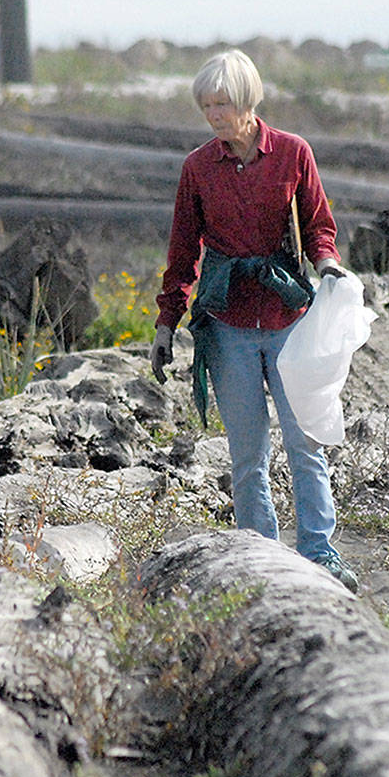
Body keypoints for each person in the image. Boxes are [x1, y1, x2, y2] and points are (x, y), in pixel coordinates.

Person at [150, 49, 358, 593]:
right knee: (247, 453)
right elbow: (182, 252)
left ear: (247, 102)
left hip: (289, 317)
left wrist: (328, 265)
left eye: (223, 104)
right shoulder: (197, 168)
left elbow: (318, 226)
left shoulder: (292, 153)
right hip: (227, 325)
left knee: (305, 441)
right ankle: (261, 558)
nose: (215, 116)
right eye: (207, 106)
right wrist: (166, 322)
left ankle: (319, 552)